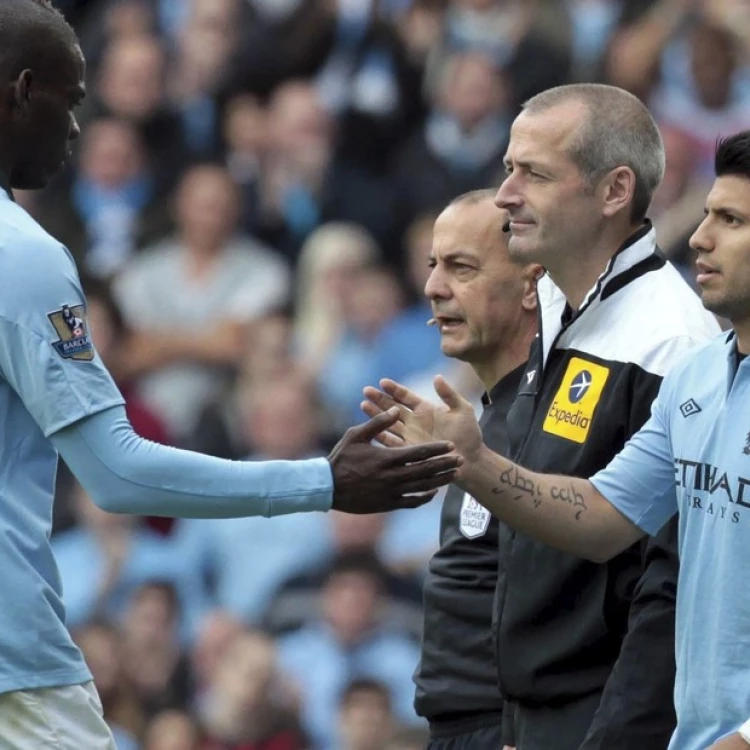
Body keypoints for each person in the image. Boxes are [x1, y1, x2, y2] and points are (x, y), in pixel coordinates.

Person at [0, 2, 461, 748]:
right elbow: (117, 475)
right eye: (72, 101)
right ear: (22, 91)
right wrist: (325, 482)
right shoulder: (22, 255)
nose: (78, 129)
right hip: (12, 668)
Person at [363, 128, 750, 750]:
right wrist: (474, 463)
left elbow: (658, 589)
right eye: (706, 215)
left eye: (730, 219)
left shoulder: (671, 341)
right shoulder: (699, 376)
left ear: (613, 190)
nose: (700, 237)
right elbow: (600, 516)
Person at [406, 189, 539, 750]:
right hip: (456, 725)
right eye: (434, 265)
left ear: (532, 284)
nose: (435, 287)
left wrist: (530, 726)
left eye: (461, 267)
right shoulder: (484, 415)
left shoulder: (555, 421)